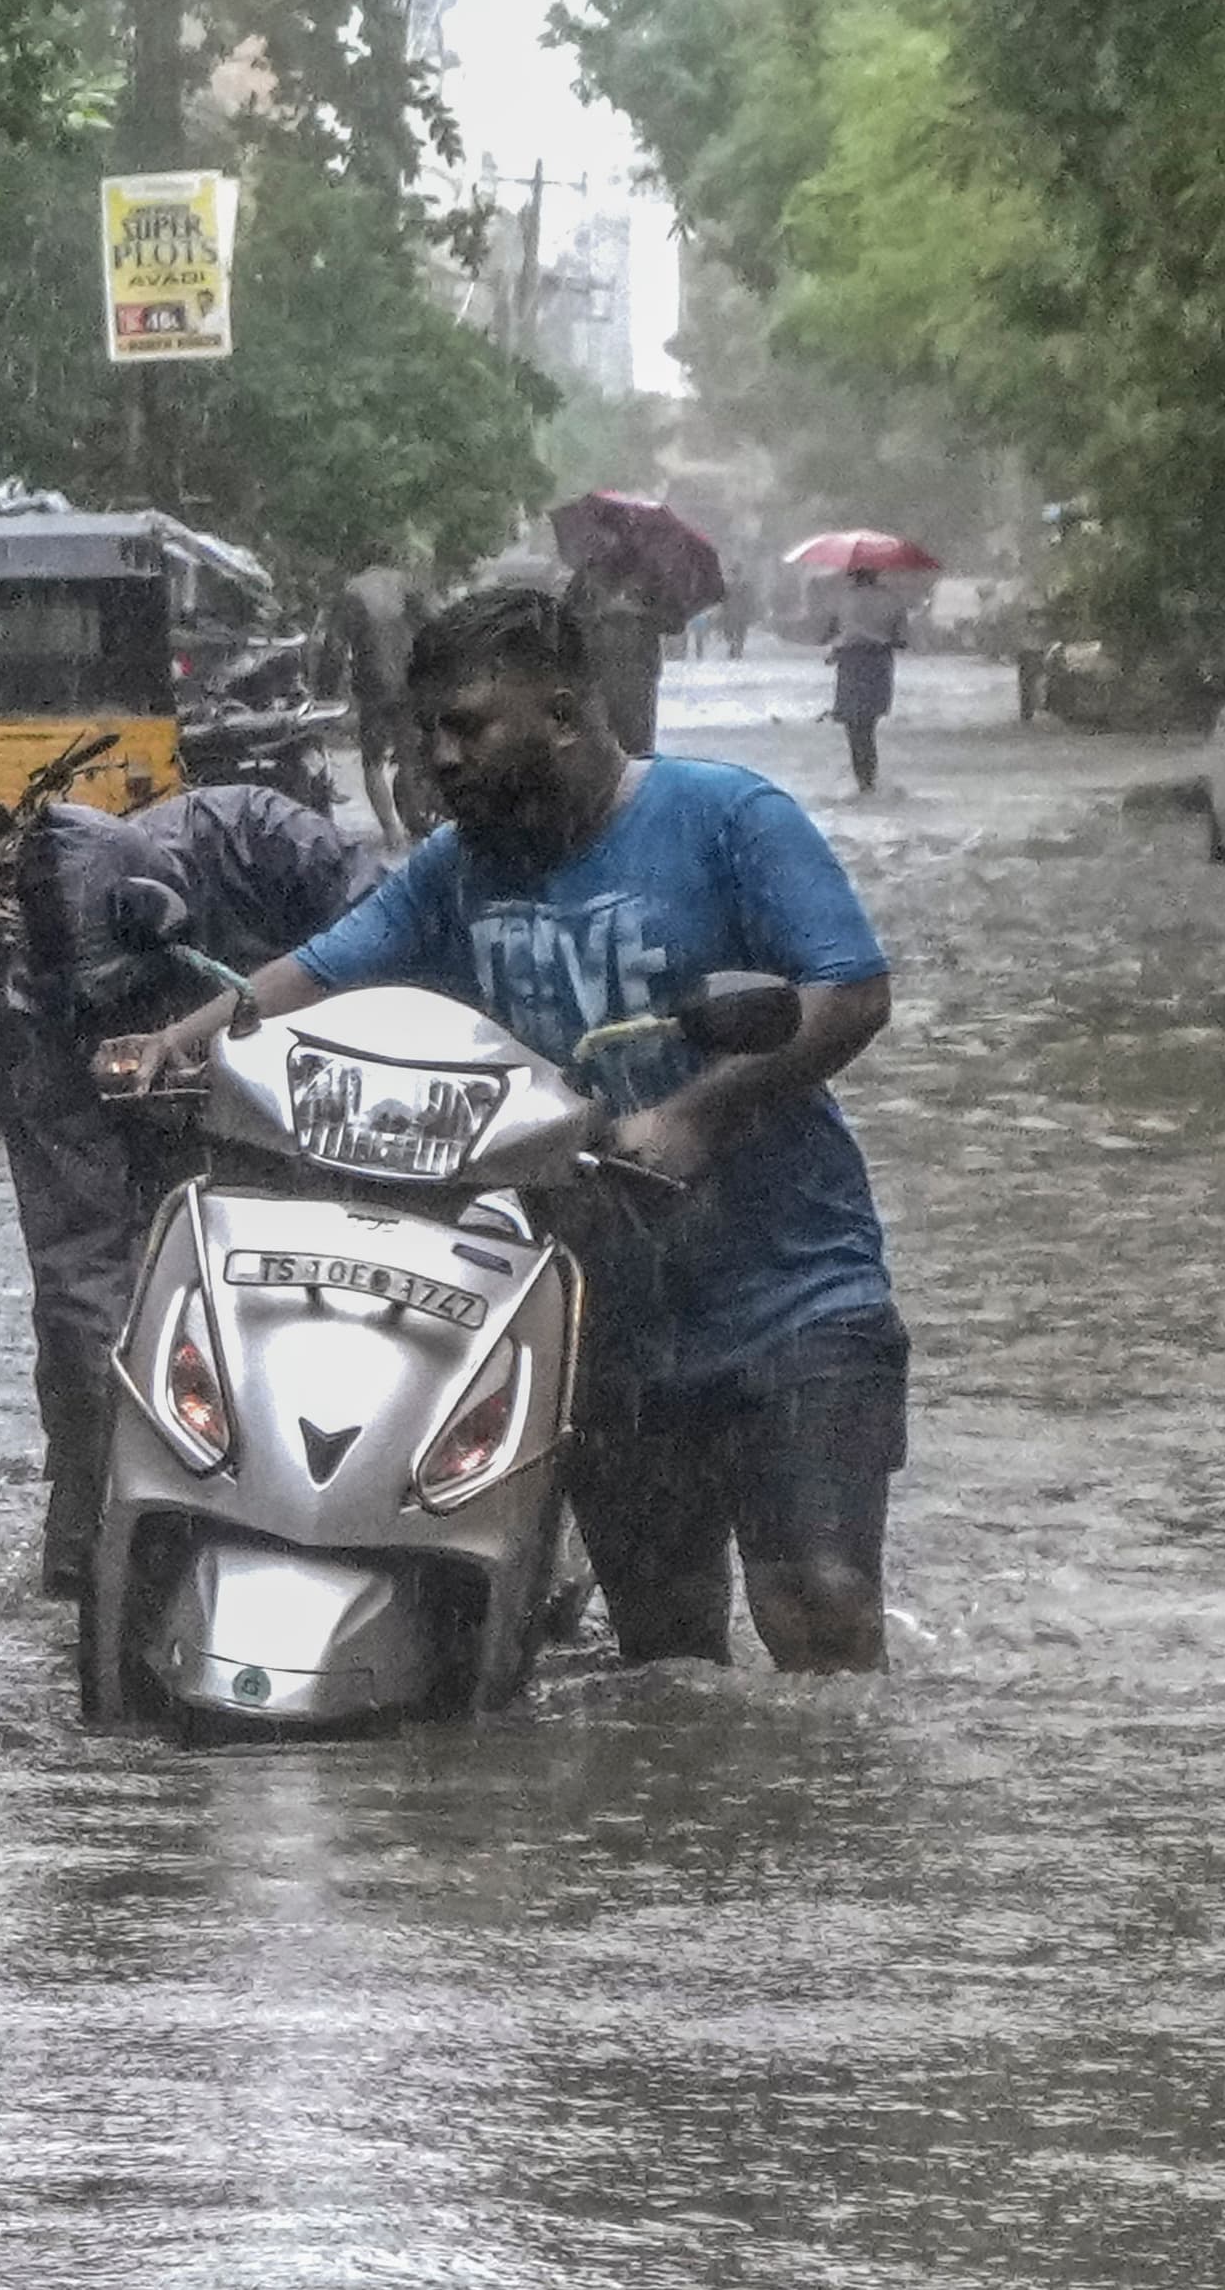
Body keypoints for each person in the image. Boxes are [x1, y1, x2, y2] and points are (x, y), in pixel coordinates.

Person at [129, 585, 907, 1673]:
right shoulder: (458, 870)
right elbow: (323, 969)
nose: (440, 757)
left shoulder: (727, 816)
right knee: (666, 1656)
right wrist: (184, 1039)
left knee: (817, 1603)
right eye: (427, 730)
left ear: (564, 712)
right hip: (605, 1312)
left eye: (468, 725)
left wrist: (692, 1115)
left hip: (796, 1293)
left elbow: (852, 988)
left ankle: (835, 1822)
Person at [4, 784, 382, 1599]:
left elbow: (394, 939)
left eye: (138, 994)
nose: (134, 1017)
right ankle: (90, 1535)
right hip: (158, 1166)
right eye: (107, 1009)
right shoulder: (42, 1012)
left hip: (329, 1125)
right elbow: (78, 1255)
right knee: (89, 1331)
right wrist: (107, 1455)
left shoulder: (263, 842)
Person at [319, 556, 434, 846]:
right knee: (410, 756)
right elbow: (434, 625)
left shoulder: (352, 591)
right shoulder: (407, 584)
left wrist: (325, 691)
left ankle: (391, 834)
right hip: (410, 681)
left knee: (372, 761)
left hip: (372, 686)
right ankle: (416, 826)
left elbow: (334, 645)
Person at [568, 558, 671, 758]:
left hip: (637, 675)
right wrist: (600, 614)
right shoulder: (587, 574)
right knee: (599, 734)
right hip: (598, 672)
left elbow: (671, 622)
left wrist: (640, 611)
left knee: (637, 739)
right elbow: (569, 615)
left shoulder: (651, 578)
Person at [829, 565, 909, 794]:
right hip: (879, 662)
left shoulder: (843, 599)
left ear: (854, 575)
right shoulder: (892, 599)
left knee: (853, 726)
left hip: (851, 662)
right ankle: (869, 779)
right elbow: (902, 638)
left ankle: (863, 779)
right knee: (869, 723)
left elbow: (832, 632)